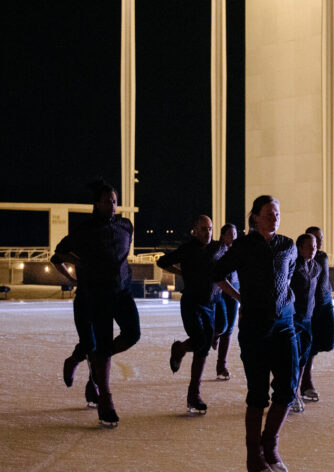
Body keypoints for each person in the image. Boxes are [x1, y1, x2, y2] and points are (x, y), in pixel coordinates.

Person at [211, 195, 298, 472]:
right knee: (258, 393)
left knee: (288, 387)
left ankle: (270, 447)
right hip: (255, 328)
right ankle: (254, 459)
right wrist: (240, 297)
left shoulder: (288, 245)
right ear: (255, 217)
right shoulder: (244, 246)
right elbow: (217, 273)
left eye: (278, 213)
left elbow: (288, 275)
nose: (275, 217)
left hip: (285, 324)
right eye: (269, 213)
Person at [51, 179, 140, 427]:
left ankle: (94, 371)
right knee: (96, 344)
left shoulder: (126, 226)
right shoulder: (84, 231)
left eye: (114, 201)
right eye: (107, 201)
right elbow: (58, 255)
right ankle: (105, 399)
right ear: (97, 204)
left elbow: (121, 255)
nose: (112, 205)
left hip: (122, 291)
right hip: (96, 294)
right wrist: (75, 273)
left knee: (132, 334)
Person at [158, 215, 234, 414]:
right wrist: (181, 272)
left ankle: (194, 395)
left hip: (211, 303)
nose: (207, 233)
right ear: (195, 230)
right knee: (201, 341)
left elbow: (230, 263)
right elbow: (162, 262)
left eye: (210, 229)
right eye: (203, 229)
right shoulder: (187, 249)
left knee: (204, 347)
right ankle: (181, 350)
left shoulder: (219, 247)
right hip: (191, 302)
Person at [300, 226, 334, 403]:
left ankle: (305, 379)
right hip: (311, 307)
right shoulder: (302, 261)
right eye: (315, 238)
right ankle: (305, 382)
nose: (319, 241)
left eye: (320, 238)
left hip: (326, 303)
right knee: (309, 346)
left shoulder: (323, 257)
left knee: (327, 341)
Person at [287, 233, 321, 414]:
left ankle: (297, 388)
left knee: (303, 357)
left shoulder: (316, 267)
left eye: (314, 246)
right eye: (309, 246)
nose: (313, 249)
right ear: (299, 248)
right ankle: (290, 393)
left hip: (308, 318)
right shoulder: (292, 266)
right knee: (293, 357)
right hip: (293, 318)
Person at [212, 223, 239, 380]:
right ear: (222, 235)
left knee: (229, 329)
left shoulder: (238, 251)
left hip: (234, 289)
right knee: (222, 324)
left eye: (235, 234)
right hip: (219, 290)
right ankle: (215, 334)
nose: (233, 237)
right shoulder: (217, 249)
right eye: (230, 234)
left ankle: (221, 366)